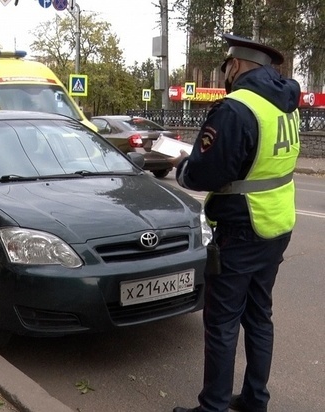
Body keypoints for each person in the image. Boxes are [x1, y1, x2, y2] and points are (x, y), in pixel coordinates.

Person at [170, 34, 301, 412]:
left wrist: (184, 169)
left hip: (241, 229)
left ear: (238, 65)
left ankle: (213, 407)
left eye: (227, 65)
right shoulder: (286, 105)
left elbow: (206, 173)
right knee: (260, 316)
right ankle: (256, 400)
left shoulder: (236, 107)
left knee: (223, 323)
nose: (226, 71)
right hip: (276, 224)